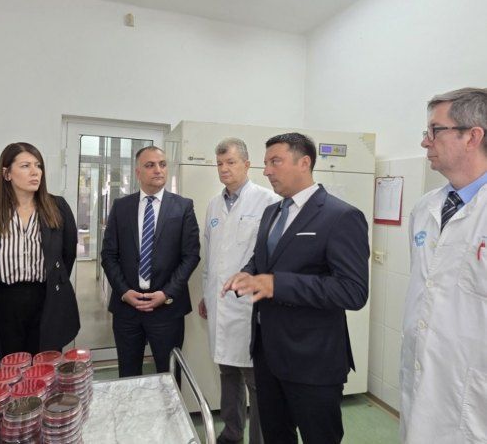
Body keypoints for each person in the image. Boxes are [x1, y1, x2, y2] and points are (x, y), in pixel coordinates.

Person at [223, 133, 369, 444]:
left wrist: (278, 284)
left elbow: (353, 291)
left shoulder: (340, 216)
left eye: (275, 162)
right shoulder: (272, 212)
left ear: (304, 163)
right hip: (267, 353)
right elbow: (262, 259)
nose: (267, 171)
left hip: (313, 359)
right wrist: (247, 274)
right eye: (266, 163)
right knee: (276, 436)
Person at [401, 88, 487, 443]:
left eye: (435, 131)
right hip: (423, 378)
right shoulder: (425, 208)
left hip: (474, 394)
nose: (425, 142)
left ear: (473, 136)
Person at [198, 138, 279, 444]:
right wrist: (206, 293)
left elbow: (271, 258)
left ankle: (259, 438)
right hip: (219, 302)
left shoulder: (268, 201)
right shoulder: (214, 205)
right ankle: (232, 434)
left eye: (230, 162)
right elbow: (211, 255)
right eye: (219, 163)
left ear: (247, 164)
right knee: (227, 373)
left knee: (256, 381)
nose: (224, 169)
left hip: (249, 307)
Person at [0, 142, 79, 357]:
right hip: (4, 303)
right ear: (7, 173)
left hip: (46, 299)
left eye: (38, 165)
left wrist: (55, 282)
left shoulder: (57, 207)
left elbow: (68, 254)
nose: (35, 172)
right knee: (9, 365)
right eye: (25, 166)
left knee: (45, 364)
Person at [101, 145, 200, 377]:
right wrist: (124, 292)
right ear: (138, 172)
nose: (158, 170)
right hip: (127, 308)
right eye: (150, 165)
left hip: (167, 309)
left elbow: (191, 255)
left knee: (169, 376)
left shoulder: (183, 206)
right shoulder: (121, 207)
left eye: (162, 164)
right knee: (128, 375)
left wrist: (166, 293)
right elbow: (109, 255)